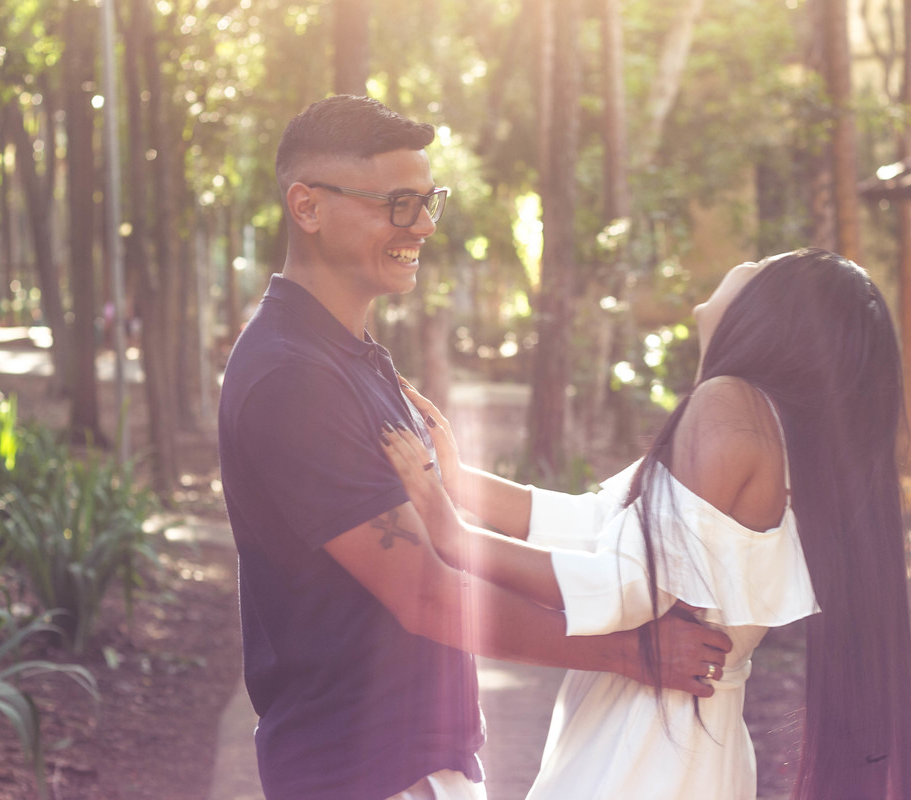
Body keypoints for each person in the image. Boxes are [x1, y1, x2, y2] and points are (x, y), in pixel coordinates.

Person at [216, 94, 732, 800]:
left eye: (429, 201)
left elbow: (432, 532)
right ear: (307, 207)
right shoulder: (291, 375)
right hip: (361, 770)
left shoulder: (349, 355)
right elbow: (424, 592)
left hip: (416, 760)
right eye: (398, 204)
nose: (423, 225)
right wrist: (629, 652)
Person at [381, 248, 911, 800]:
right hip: (686, 742)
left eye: (762, 268)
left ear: (774, 313)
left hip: (648, 745)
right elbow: (605, 523)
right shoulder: (769, 427)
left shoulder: (731, 406)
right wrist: (458, 482)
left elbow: (628, 586)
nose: (746, 266)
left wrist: (455, 536)